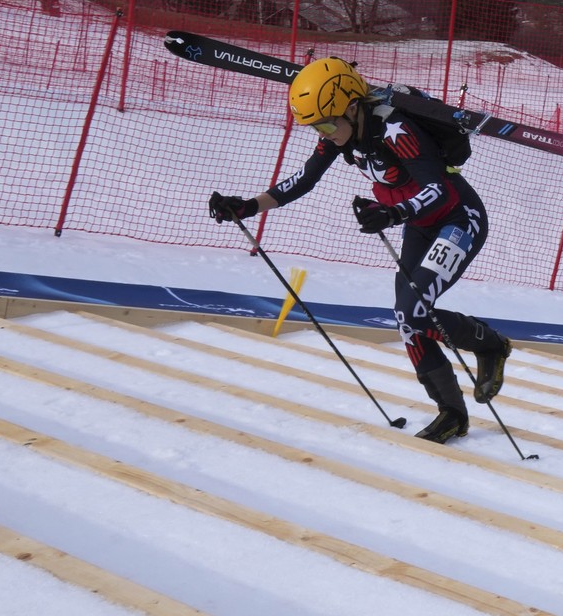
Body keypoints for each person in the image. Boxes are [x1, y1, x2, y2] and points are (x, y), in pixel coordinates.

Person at [207, 57, 511, 444]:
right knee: (407, 317)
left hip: (457, 219)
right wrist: (246, 206)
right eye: (317, 127)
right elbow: (303, 180)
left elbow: (437, 189)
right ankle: (451, 413)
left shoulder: (397, 130)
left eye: (327, 124)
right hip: (418, 225)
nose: (325, 133)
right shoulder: (345, 131)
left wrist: (391, 213)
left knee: (413, 310)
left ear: (352, 106)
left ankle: (490, 344)